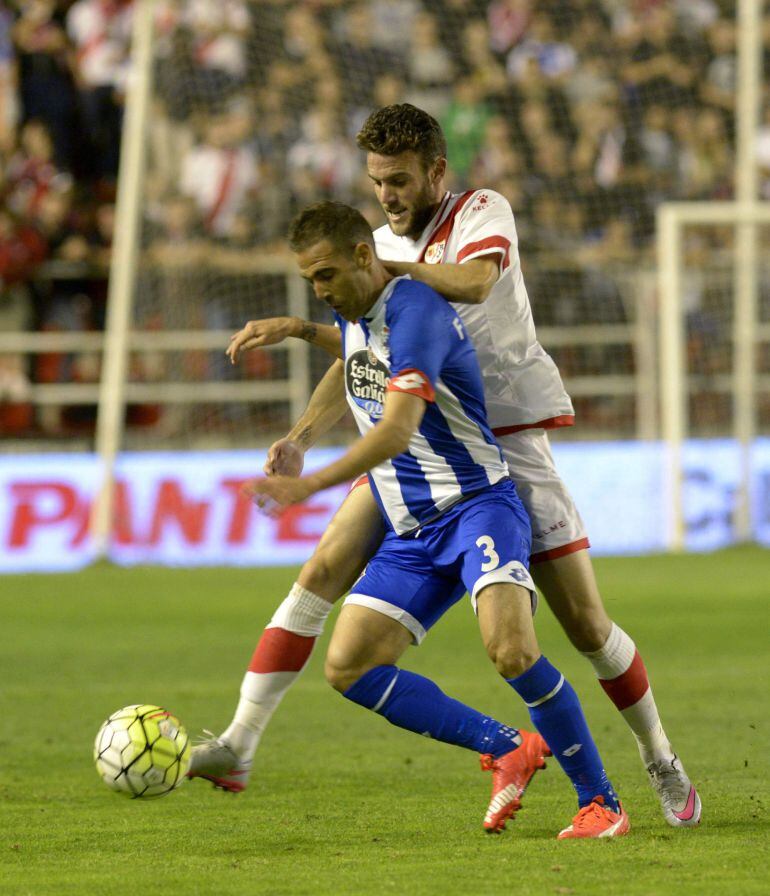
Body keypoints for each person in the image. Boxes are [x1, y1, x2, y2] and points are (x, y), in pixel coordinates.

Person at [191, 104, 700, 829]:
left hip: (503, 443)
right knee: (324, 569)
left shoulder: (479, 212)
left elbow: (474, 283)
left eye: (399, 180)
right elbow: (362, 349)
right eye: (377, 182)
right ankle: (240, 743)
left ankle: (658, 754)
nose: (388, 196)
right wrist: (303, 432)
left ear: (436, 170)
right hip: (420, 450)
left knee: (586, 627)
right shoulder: (370, 248)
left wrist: (375, 272)